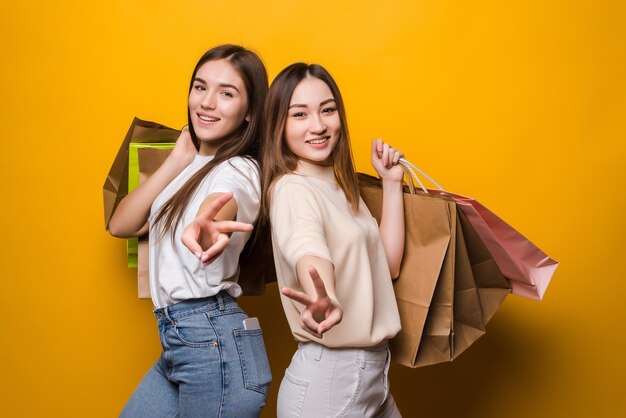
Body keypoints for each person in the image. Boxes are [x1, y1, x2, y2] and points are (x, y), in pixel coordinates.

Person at [109, 44, 271, 418]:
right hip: (182, 341)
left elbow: (221, 204)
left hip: (212, 342)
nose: (207, 102)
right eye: (200, 87)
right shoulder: (189, 163)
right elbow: (121, 224)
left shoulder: (241, 170)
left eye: (226, 93)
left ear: (249, 113)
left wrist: (207, 224)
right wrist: (179, 160)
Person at [260, 63, 405, 418]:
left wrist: (390, 183)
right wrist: (322, 294)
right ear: (278, 126)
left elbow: (387, 265)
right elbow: (307, 248)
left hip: (368, 376)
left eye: (328, 109)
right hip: (333, 380)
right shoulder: (293, 189)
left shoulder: (336, 185)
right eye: (300, 114)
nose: (319, 125)